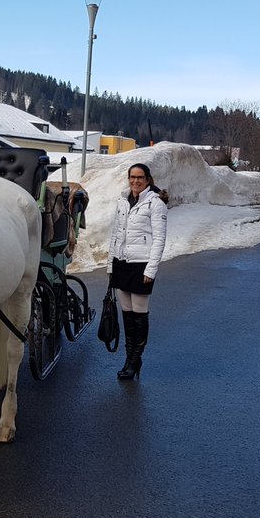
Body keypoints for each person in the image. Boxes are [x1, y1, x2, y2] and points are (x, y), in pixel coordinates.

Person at [106, 162, 168, 380]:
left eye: (140, 177)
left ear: (148, 179)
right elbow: (116, 234)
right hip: (122, 263)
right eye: (132, 177)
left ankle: (134, 360)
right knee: (127, 315)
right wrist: (110, 264)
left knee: (139, 314)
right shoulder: (123, 201)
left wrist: (151, 270)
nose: (135, 181)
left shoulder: (155, 203)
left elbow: (159, 239)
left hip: (142, 265)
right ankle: (130, 358)